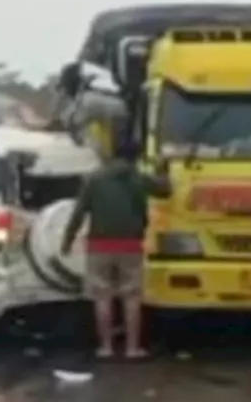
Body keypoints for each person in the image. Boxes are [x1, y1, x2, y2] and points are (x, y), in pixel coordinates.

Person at [60, 142, 171, 359]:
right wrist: (162, 169)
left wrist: (67, 241)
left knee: (102, 297)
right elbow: (165, 190)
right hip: (130, 245)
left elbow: (78, 213)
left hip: (99, 246)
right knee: (131, 298)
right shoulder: (139, 178)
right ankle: (132, 348)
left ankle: (106, 348)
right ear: (136, 157)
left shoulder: (94, 179)